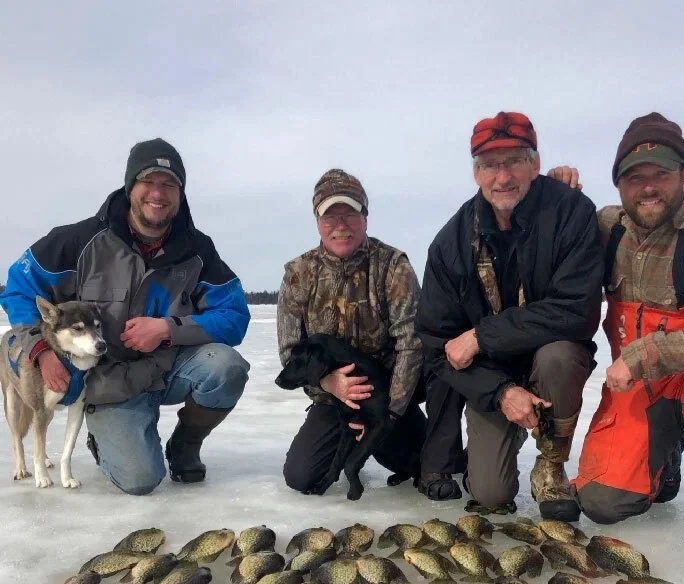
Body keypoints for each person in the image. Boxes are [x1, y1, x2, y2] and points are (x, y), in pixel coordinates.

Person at [0, 138, 250, 495]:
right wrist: (39, 349)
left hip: (166, 368)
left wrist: (168, 328)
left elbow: (235, 316)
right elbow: (19, 287)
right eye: (148, 181)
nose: (158, 194)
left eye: (170, 184)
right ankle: (106, 439)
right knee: (140, 480)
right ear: (130, 186)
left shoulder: (197, 250)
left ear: (180, 193)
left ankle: (185, 445)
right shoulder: (78, 240)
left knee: (225, 367)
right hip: (107, 382)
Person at [416, 112, 604, 521]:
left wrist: (481, 336)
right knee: (489, 494)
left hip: (548, 357)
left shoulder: (571, 211)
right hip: (493, 373)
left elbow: (575, 310)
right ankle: (487, 450)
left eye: (514, 161)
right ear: (475, 173)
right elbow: (436, 345)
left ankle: (551, 463)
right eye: (489, 165)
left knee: (559, 355)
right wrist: (500, 391)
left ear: (535, 164)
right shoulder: (451, 242)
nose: (502, 177)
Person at [563, 112, 684, 546]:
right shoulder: (608, 228)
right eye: (635, 178)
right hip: (643, 386)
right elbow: (554, 226)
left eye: (661, 174)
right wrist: (555, 190)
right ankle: (663, 461)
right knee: (602, 503)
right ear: (620, 186)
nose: (649, 188)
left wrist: (639, 356)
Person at [277, 168, 426, 495]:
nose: (340, 225)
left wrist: (389, 414)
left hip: (389, 393)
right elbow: (291, 352)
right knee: (302, 478)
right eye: (330, 217)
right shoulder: (298, 274)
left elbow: (411, 344)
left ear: (365, 218)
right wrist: (327, 383)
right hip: (334, 398)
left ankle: (411, 442)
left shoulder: (393, 265)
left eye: (349, 214)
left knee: (427, 465)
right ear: (317, 222)